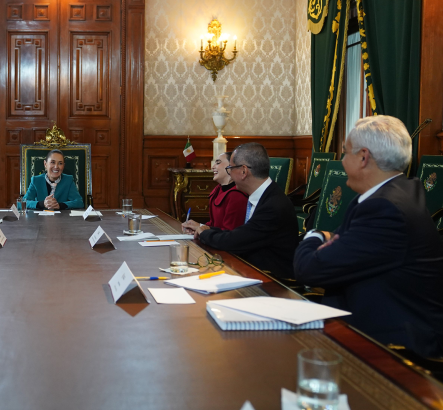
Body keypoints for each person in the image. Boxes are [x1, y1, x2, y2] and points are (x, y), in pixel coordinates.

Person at [294, 116, 443, 358]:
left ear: (363, 157)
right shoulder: (395, 193)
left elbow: (309, 269)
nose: (342, 161)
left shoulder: (385, 209)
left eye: (345, 153)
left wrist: (315, 234)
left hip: (392, 347)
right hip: (363, 325)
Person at [190, 143, 299, 278]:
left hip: (272, 281)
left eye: (230, 168)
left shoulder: (273, 205)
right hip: (251, 271)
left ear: (243, 171)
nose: (229, 173)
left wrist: (204, 233)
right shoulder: (263, 195)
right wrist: (205, 229)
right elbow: (240, 234)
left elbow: (235, 240)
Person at [182, 152, 248, 232]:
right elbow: (214, 225)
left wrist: (202, 231)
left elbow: (230, 233)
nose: (213, 167)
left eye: (218, 163)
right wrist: (198, 228)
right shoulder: (218, 190)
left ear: (231, 166)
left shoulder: (237, 195)